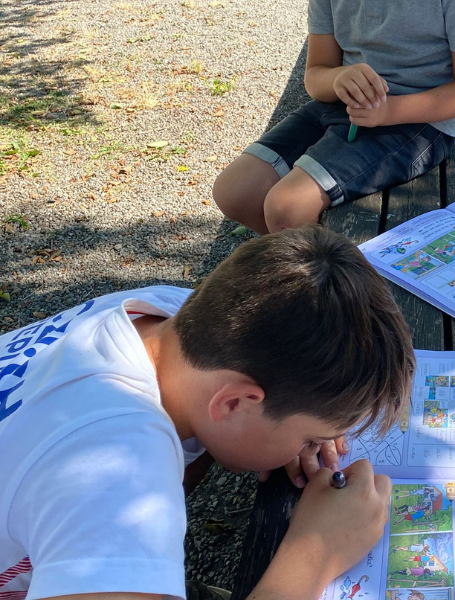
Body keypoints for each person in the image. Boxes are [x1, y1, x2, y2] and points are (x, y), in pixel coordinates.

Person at [0, 226, 416, 600]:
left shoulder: (173, 314)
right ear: (234, 403)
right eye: (310, 439)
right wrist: (315, 554)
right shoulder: (115, 481)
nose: (314, 449)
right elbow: (107, 505)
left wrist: (299, 411)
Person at [213, 0, 455, 234]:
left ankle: (327, 275)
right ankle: (306, 263)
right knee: (235, 192)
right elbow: (316, 76)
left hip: (422, 121)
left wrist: (387, 111)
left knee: (287, 208)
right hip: (345, 103)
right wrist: (338, 78)